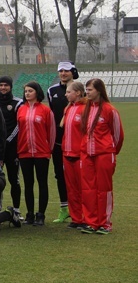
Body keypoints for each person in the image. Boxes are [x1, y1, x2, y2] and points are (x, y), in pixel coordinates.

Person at [79, 78, 124, 234]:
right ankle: (91, 222)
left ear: (99, 90)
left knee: (103, 189)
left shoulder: (109, 110)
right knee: (88, 189)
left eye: (90, 89)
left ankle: (104, 223)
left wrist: (109, 150)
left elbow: (118, 135)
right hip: (86, 154)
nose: (87, 92)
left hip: (104, 154)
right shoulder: (86, 108)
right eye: (87, 89)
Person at [16, 81, 55, 226]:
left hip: (41, 153)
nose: (27, 93)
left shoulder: (45, 111)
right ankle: (30, 214)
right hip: (24, 152)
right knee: (28, 184)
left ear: (37, 92)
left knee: (42, 183)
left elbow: (51, 132)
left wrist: (47, 150)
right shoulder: (20, 110)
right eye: (26, 91)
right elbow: (19, 129)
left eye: (30, 91)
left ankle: (41, 215)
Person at [47, 61, 79, 223]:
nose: (63, 73)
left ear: (73, 72)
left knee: (77, 176)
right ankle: (64, 208)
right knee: (59, 174)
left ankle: (79, 209)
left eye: (66, 71)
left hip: (77, 142)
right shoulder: (51, 91)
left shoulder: (81, 89)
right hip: (58, 141)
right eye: (61, 71)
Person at [0, 76, 23, 216]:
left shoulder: (17, 102)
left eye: (6, 85)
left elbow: (18, 125)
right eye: (1, 85)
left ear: (10, 87)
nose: (3, 88)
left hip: (12, 147)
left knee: (14, 179)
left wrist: (8, 140)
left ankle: (16, 209)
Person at [61, 81, 87, 229]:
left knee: (84, 188)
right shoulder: (68, 109)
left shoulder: (85, 109)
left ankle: (86, 217)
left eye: (68, 91)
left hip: (80, 155)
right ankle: (76, 218)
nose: (66, 94)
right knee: (71, 189)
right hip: (67, 154)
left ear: (77, 93)